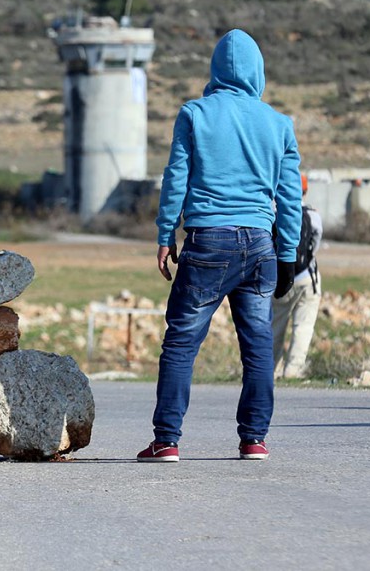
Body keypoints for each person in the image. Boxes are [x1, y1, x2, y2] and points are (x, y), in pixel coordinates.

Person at [138, 29, 301, 463]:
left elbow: (176, 177)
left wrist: (165, 233)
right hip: (260, 247)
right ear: (258, 72)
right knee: (258, 347)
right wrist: (287, 256)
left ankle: (167, 441)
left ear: (215, 70)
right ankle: (254, 440)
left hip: (208, 241)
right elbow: (289, 198)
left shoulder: (194, 114)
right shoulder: (279, 124)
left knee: (181, 343)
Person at [272, 174, 322, 379]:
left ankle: (268, 369)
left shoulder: (275, 213)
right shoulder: (313, 215)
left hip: (280, 279)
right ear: (305, 190)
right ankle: (294, 369)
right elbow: (315, 245)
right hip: (307, 278)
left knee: (275, 326)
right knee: (303, 326)